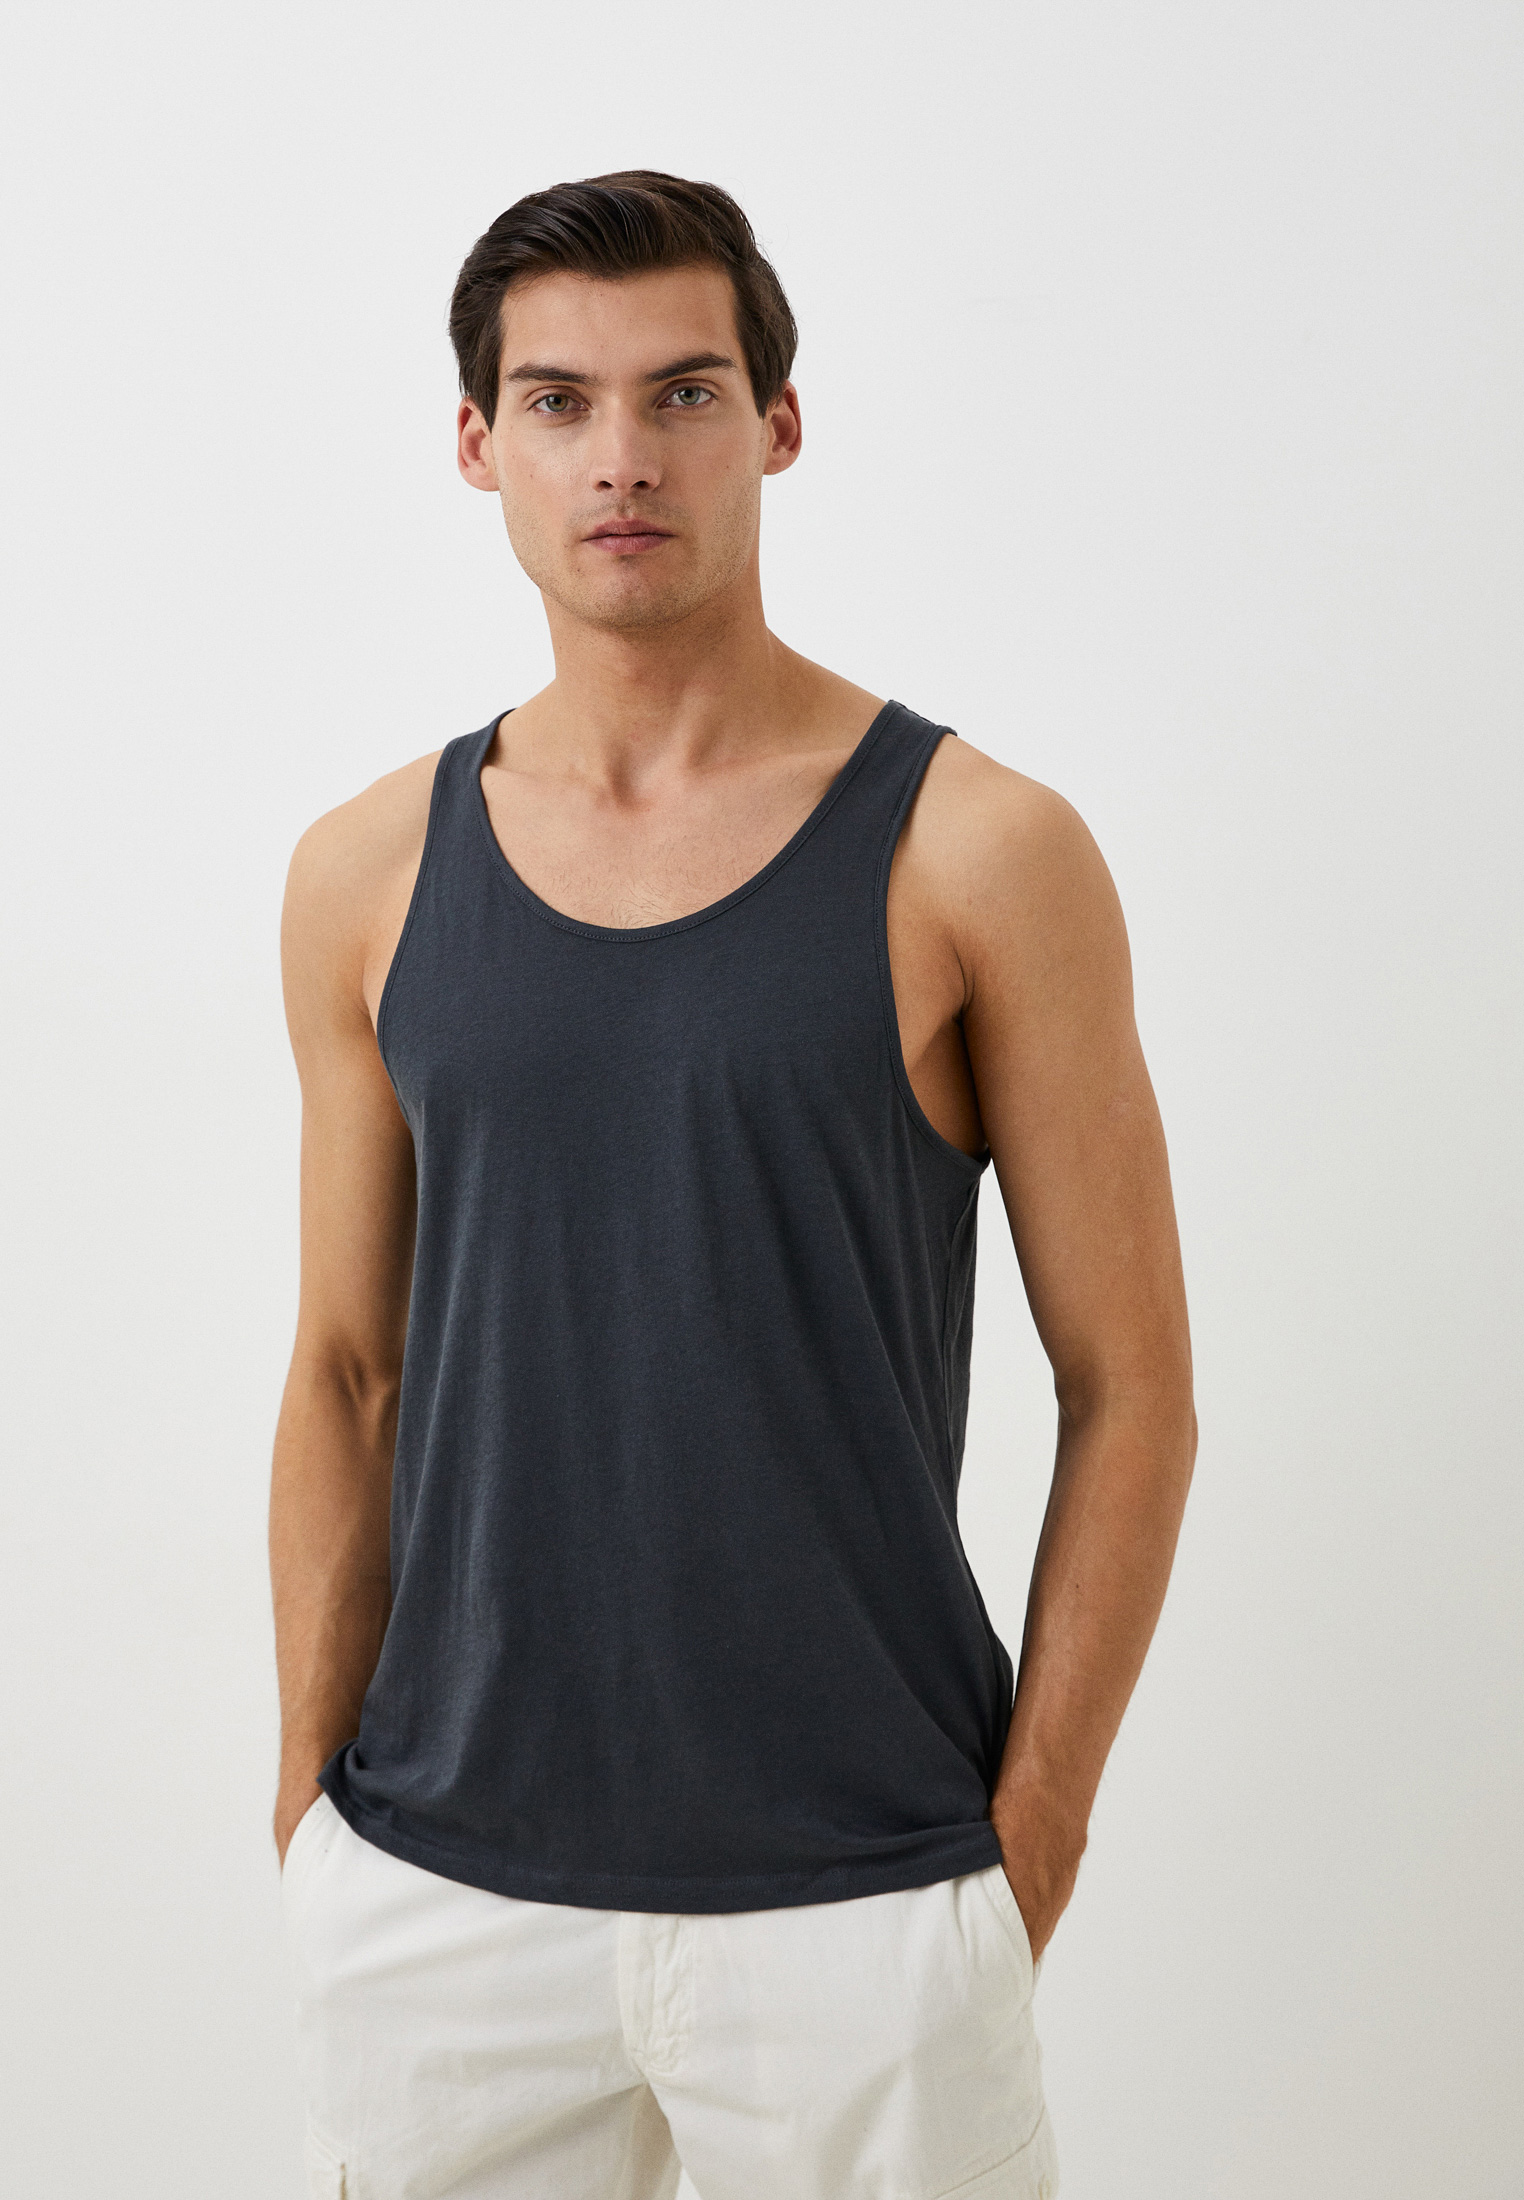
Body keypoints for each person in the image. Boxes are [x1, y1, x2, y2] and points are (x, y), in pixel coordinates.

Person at [269, 169, 1197, 2200]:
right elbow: (348, 1371)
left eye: (683, 392)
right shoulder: (368, 872)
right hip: (439, 1898)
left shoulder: (980, 850)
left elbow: (1130, 1384)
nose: (622, 456)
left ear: (778, 423)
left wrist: (1030, 1838)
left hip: (865, 1900)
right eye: (560, 401)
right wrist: (310, 1825)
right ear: (477, 443)